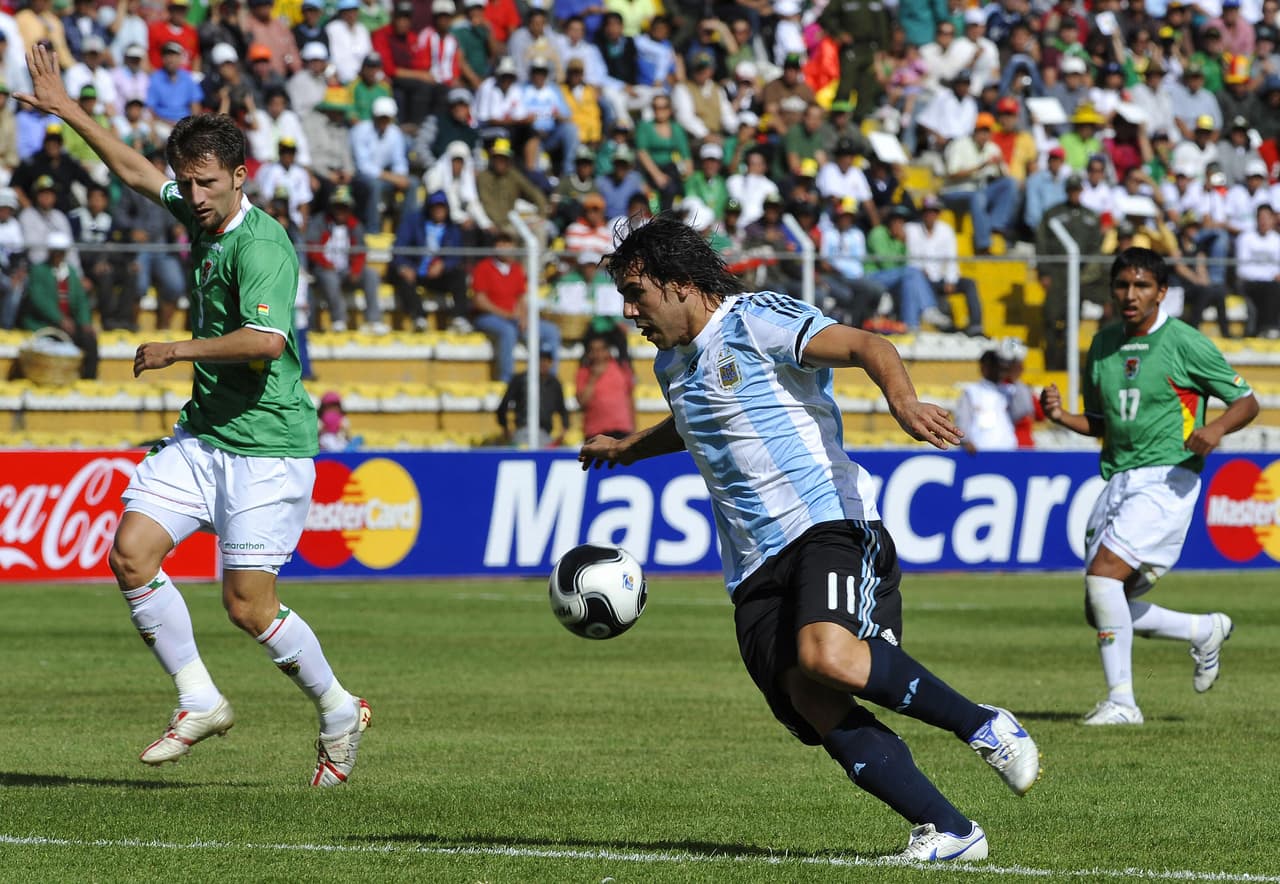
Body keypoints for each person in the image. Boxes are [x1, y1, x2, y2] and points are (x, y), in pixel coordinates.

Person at [579, 213, 1040, 862]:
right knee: (808, 699)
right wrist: (628, 448)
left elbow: (868, 347)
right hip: (750, 561)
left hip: (826, 521)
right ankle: (950, 832)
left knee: (827, 657)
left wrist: (903, 402)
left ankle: (985, 725)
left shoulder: (754, 319)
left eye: (637, 293)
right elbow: (697, 420)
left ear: (680, 284)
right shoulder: (670, 363)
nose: (629, 311)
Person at [16, 44, 371, 783]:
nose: (194, 196)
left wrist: (178, 349)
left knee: (247, 608)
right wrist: (70, 110)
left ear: (242, 176)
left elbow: (267, 341)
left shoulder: (262, 245)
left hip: (268, 448)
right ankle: (199, 696)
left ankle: (339, 709)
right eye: (188, 183)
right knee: (130, 553)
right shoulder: (199, 205)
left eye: (207, 183)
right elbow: (135, 172)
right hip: (206, 437)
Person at [1040, 247, 1258, 726]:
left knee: (1103, 578)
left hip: (1168, 476)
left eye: (1142, 286)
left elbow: (1245, 400)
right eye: (1123, 285)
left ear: (1162, 292)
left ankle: (1123, 702)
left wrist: (1216, 430)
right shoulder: (1102, 345)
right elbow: (1100, 422)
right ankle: (1204, 629)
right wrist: (1060, 417)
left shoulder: (1184, 341)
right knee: (1104, 605)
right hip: (1117, 477)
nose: (1130, 295)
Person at [17, 228, 98, 379]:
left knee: (89, 340)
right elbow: (38, 300)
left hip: (68, 323)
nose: (58, 256)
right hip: (46, 324)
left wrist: (85, 322)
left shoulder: (71, 272)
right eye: (56, 252)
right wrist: (60, 319)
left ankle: (89, 378)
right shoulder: (38, 270)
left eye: (61, 252)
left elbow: (80, 300)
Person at [497, 343, 569, 448]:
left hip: (545, 433)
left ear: (551, 362)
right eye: (540, 360)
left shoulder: (554, 383)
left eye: (547, 360)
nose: (543, 363)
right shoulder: (520, 379)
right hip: (523, 431)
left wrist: (564, 430)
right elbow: (503, 406)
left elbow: (562, 409)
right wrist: (506, 428)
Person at [575, 329, 634, 440]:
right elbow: (582, 402)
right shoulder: (584, 372)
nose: (597, 354)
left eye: (600, 349)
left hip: (621, 429)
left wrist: (633, 428)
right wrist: (593, 378)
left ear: (607, 350)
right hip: (595, 431)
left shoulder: (621, 368)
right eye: (593, 350)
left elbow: (629, 399)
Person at [956, 349, 1017, 453]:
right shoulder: (971, 391)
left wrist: (1014, 376)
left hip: (1008, 449)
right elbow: (963, 420)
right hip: (979, 451)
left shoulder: (1010, 390)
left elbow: (1025, 409)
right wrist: (966, 441)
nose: (999, 370)